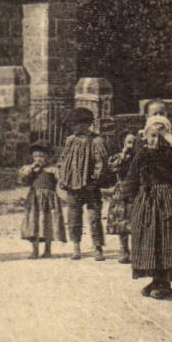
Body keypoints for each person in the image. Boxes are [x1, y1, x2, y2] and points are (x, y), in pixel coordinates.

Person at [122, 113, 172, 299]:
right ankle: (155, 279)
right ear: (145, 136)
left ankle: (164, 283)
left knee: (166, 238)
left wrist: (168, 136)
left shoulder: (168, 153)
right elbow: (132, 176)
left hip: (166, 200)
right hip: (146, 201)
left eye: (160, 136)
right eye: (153, 135)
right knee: (148, 239)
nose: (156, 139)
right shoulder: (142, 154)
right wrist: (128, 197)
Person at [56, 106, 109, 260]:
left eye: (77, 124)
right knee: (74, 216)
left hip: (90, 186)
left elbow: (101, 162)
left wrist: (96, 179)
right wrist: (63, 178)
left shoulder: (96, 141)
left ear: (87, 124)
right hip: (73, 185)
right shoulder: (70, 140)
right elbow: (64, 160)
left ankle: (97, 247)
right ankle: (76, 246)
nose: (74, 127)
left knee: (94, 217)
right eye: (73, 124)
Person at [19, 143, 64, 258]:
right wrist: (31, 169)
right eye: (35, 156)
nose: (39, 159)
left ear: (49, 157)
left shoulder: (53, 169)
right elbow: (22, 180)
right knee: (34, 223)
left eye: (42, 156)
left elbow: (62, 181)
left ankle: (47, 250)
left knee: (48, 223)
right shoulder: (30, 169)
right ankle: (35, 250)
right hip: (34, 199)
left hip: (49, 199)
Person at [102, 117, 135, 264]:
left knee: (134, 220)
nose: (131, 145)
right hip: (121, 190)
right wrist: (123, 155)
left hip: (135, 190)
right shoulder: (117, 157)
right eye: (129, 142)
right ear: (123, 143)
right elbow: (113, 167)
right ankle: (123, 248)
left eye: (134, 142)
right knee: (121, 221)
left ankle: (135, 250)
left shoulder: (138, 157)